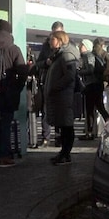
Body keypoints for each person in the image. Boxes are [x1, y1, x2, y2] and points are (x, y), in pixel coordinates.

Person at [0, 19, 27, 167]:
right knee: (6, 124)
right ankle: (4, 156)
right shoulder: (14, 49)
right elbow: (23, 71)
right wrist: (17, 88)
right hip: (9, 94)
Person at [44, 30, 80, 165]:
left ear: (59, 40)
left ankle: (66, 154)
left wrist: (55, 86)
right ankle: (64, 153)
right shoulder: (58, 55)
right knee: (63, 125)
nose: (49, 42)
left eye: (51, 39)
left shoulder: (66, 56)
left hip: (64, 97)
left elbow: (69, 77)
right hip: (59, 97)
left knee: (66, 126)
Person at [33, 21, 65, 147]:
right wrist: (45, 63)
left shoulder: (67, 47)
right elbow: (38, 63)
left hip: (60, 83)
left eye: (58, 34)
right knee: (45, 110)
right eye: (53, 34)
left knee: (59, 111)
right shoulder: (46, 46)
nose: (55, 37)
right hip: (47, 81)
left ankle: (59, 137)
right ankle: (46, 137)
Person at [78, 38, 107, 139]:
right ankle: (91, 131)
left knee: (91, 108)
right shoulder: (97, 56)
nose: (79, 47)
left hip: (92, 85)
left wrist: (79, 72)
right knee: (98, 107)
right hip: (97, 84)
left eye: (81, 45)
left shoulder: (89, 55)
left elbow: (90, 69)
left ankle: (89, 133)